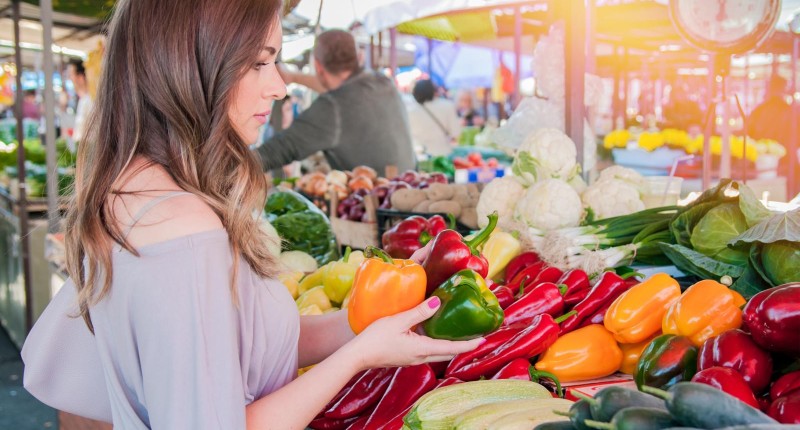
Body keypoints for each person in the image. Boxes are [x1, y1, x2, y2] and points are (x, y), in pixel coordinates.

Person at [20, 1, 481, 429]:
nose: (280, 86)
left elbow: (250, 346)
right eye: (261, 61)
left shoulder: (132, 190)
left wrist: (367, 318)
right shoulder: (183, 234)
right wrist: (360, 355)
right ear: (194, 64)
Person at [255, 29, 416, 174]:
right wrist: (293, 77)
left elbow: (278, 151)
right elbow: (339, 89)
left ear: (318, 67)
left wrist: (232, 168)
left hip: (374, 203)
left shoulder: (332, 108)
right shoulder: (383, 82)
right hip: (412, 190)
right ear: (359, 57)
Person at [406, 79, 461, 156]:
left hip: (420, 155)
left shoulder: (410, 111)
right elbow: (456, 133)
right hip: (443, 154)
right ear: (433, 91)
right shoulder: (447, 106)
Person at [67, 59, 92, 143]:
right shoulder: (83, 99)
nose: (70, 78)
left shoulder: (90, 101)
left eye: (71, 75)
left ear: (81, 77)